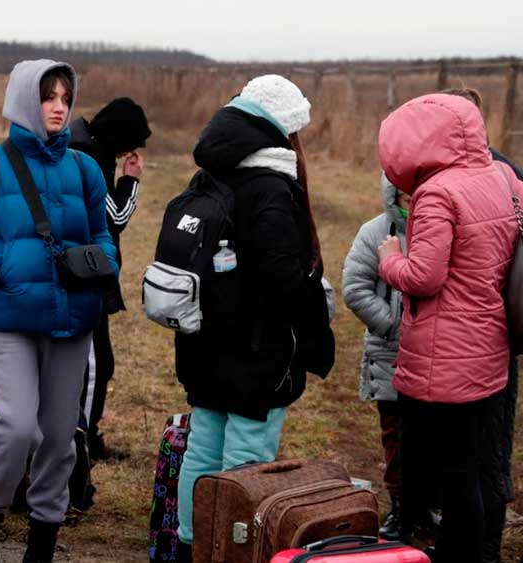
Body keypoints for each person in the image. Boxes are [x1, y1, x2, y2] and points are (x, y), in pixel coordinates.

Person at [0, 60, 117, 563]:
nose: (58, 107)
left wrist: (106, 263)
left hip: (71, 322)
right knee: (18, 427)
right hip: (9, 320)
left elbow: (102, 235)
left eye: (65, 98)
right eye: (47, 97)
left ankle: (42, 541)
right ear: (23, 100)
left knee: (60, 439)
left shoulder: (85, 169)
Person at [172, 75, 335, 562]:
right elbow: (283, 277)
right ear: (282, 131)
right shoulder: (270, 186)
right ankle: (231, 553)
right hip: (256, 351)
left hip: (204, 342)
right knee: (247, 460)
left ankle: (191, 546)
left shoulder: (209, 176)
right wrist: (314, 330)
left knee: (202, 450)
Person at [376, 92, 521, 563]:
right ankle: (472, 551)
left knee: (451, 475)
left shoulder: (438, 192)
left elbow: (424, 277)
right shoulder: (502, 176)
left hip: (443, 359)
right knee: (474, 468)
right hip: (490, 346)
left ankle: (456, 555)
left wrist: (389, 258)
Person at [68, 97, 151, 461]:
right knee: (95, 364)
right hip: (82, 274)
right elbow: (113, 218)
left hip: (84, 270)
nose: (128, 154)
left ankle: (85, 433)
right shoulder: (86, 155)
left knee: (96, 361)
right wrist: (130, 182)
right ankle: (82, 440)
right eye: (130, 145)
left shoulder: (87, 146)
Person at [342, 173, 410, 539]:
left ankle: (430, 506)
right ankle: (401, 508)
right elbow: (354, 287)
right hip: (390, 354)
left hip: (440, 355)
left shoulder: (445, 226)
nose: (411, 202)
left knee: (434, 435)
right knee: (396, 435)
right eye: (404, 196)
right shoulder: (375, 232)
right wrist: (391, 326)